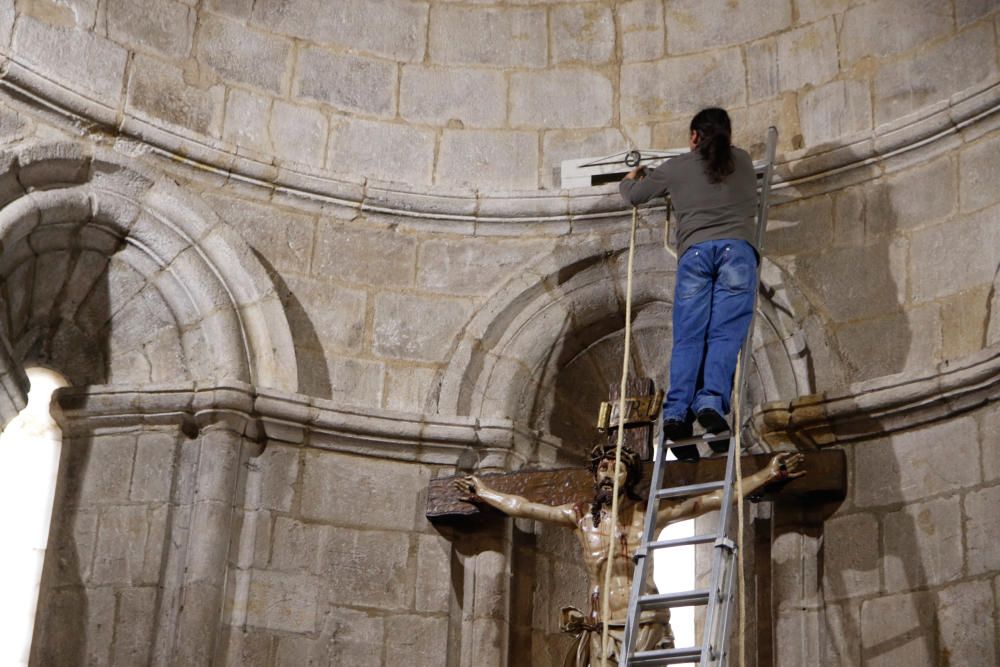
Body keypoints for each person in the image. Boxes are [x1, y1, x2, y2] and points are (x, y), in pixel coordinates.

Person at [454, 445, 805, 666]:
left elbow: (709, 500)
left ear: (629, 477)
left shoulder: (647, 516)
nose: (608, 474)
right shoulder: (579, 517)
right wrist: (484, 492)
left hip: (644, 622)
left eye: (616, 469)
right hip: (601, 625)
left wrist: (765, 475)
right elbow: (525, 506)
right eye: (603, 469)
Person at [619, 108, 759, 461]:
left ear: (695, 136)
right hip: (738, 254)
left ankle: (677, 411)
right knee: (725, 334)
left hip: (695, 255)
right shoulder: (742, 161)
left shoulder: (677, 167)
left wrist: (630, 176)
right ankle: (711, 401)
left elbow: (634, 195)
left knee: (689, 336)